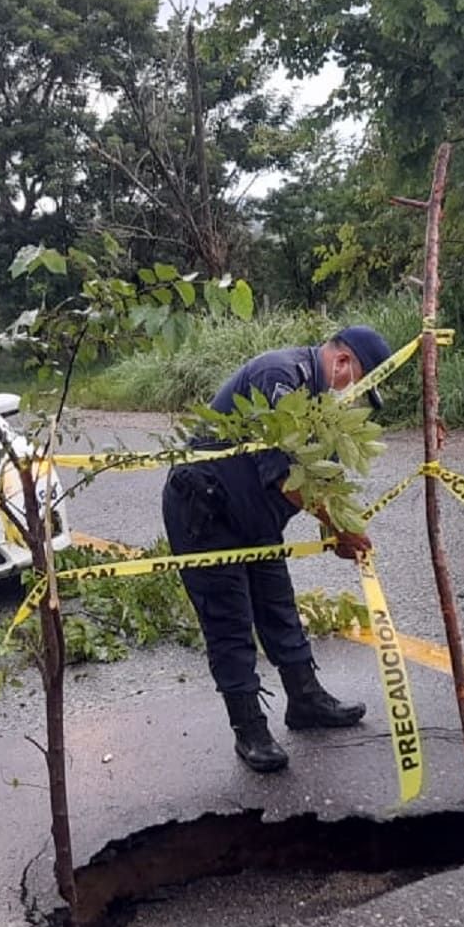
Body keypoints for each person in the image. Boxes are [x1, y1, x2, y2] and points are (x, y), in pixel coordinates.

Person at [161, 325, 395, 772]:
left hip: (257, 518)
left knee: (278, 606)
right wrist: (340, 530)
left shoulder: (322, 405)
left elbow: (319, 479)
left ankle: (306, 701)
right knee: (230, 622)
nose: (356, 400)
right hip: (204, 514)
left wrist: (338, 531)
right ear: (342, 363)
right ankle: (249, 730)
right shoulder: (280, 376)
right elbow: (290, 478)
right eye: (360, 385)